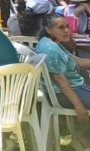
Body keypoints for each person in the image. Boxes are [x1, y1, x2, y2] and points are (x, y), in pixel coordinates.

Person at [31, 13, 90, 149]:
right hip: (62, 93)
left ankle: (81, 137)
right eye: (61, 27)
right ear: (48, 29)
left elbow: (78, 62)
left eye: (67, 27)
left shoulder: (54, 43)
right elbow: (60, 80)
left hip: (74, 86)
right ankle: (81, 138)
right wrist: (78, 106)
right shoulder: (50, 49)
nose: (66, 31)